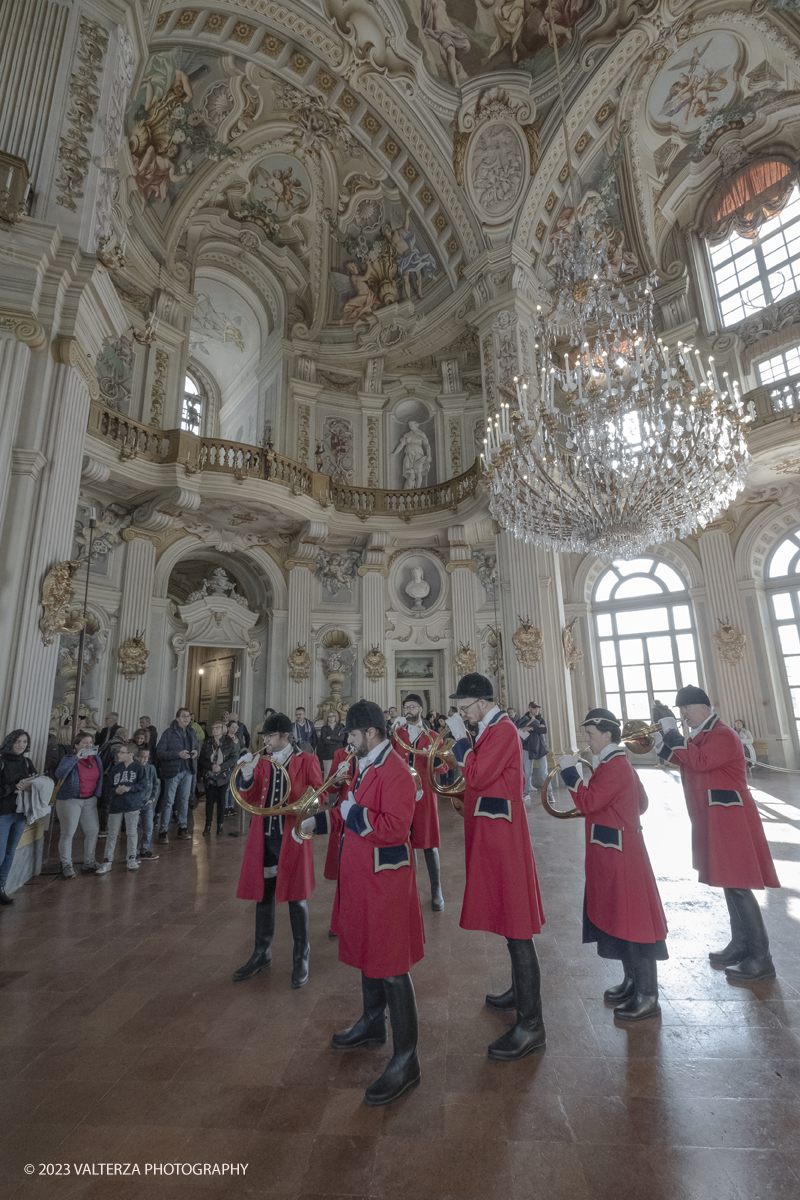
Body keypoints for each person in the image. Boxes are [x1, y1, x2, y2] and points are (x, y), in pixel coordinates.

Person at [304, 700, 424, 1106]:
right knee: (371, 953)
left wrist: (354, 812)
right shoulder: (366, 765)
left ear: (369, 733)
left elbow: (392, 829)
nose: (347, 741)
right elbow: (345, 810)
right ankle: (373, 1023)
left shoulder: (397, 771)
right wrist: (315, 822)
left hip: (385, 882)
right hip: (363, 877)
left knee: (391, 966)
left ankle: (408, 1059)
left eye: (351, 734)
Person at [446, 673, 546, 1060]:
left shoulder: (502, 731)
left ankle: (532, 1024)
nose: (463, 713)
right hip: (494, 834)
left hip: (503, 839)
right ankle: (519, 993)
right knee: (509, 920)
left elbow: (478, 774)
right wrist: (468, 742)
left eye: (465, 707)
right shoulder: (492, 730)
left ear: (483, 703)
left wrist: (460, 746)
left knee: (518, 926)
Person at [657, 685, 780, 983]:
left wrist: (673, 734)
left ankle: (761, 959)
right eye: (680, 710)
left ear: (703, 706)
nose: (683, 714)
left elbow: (700, 762)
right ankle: (741, 945)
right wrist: (663, 737)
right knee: (729, 883)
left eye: (686, 708)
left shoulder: (724, 734)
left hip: (731, 820)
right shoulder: (703, 736)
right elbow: (682, 759)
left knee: (738, 885)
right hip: (716, 818)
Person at [558, 709, 669, 1021]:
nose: (587, 740)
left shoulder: (615, 766)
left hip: (621, 854)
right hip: (614, 850)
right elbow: (642, 804)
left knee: (635, 921)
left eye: (591, 735)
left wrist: (571, 775)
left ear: (607, 735)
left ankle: (648, 995)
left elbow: (588, 803)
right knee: (623, 918)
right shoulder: (616, 764)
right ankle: (633, 981)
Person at [233, 713, 322, 988]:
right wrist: (246, 776)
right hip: (265, 837)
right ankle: (262, 952)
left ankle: (301, 955)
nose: (266, 742)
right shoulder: (263, 762)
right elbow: (249, 797)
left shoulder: (307, 760)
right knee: (264, 896)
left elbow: (319, 795)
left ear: (285, 736)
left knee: (296, 898)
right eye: (264, 738)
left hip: (291, 837)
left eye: (270, 737)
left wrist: (304, 806)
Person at [391, 693, 444, 911]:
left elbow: (443, 767)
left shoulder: (432, 735)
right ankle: (410, 888)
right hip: (403, 796)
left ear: (421, 709)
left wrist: (434, 758)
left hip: (425, 796)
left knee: (429, 843)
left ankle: (436, 889)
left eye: (413, 706)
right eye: (406, 707)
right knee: (406, 840)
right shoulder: (398, 734)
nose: (409, 710)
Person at [53, 732, 103, 878]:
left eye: (90, 743)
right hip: (70, 799)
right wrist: (76, 758)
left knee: (93, 830)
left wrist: (97, 794)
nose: (88, 745)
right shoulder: (68, 758)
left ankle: (89, 861)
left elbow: (100, 777)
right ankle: (67, 864)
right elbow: (60, 773)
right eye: (85, 743)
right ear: (76, 746)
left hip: (90, 799)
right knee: (68, 833)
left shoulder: (96, 759)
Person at [97, 742, 147, 874]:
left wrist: (129, 788)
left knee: (132, 832)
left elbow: (142, 785)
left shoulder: (139, 768)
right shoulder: (115, 769)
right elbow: (108, 786)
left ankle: (131, 858)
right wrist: (116, 790)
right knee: (112, 833)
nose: (118, 754)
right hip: (116, 804)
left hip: (132, 804)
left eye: (122, 752)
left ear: (130, 754)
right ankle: (107, 860)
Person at [0, 730, 37, 904]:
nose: (21, 745)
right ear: (10, 742)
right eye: (18, 741)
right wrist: (16, 786)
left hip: (21, 812)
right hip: (3, 812)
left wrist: (31, 786)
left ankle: (1, 887)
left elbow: (36, 783)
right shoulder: (1, 760)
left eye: (24, 742)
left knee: (9, 852)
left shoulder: (27, 762)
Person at [156, 708, 199, 843]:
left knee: (184, 801)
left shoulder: (191, 732)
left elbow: (196, 747)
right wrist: (177, 754)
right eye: (183, 716)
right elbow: (160, 752)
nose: (187, 718)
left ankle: (183, 827)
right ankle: (163, 830)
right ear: (177, 719)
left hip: (187, 770)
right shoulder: (168, 733)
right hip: (173, 771)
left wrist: (196, 752)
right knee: (168, 801)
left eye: (188, 716)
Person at [198, 720, 236, 836]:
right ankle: (207, 825)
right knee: (209, 801)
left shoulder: (229, 741)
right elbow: (202, 759)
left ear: (223, 729)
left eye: (218, 727)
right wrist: (211, 766)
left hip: (223, 775)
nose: (215, 729)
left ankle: (220, 825)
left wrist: (221, 767)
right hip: (210, 775)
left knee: (221, 800)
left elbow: (233, 759)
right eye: (213, 727)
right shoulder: (207, 741)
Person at [97, 726, 129, 834]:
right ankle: (103, 827)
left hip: (102, 775)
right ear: (124, 735)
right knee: (108, 802)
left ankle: (99, 825)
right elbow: (118, 764)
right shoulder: (119, 746)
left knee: (101, 802)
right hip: (110, 776)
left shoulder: (108, 742)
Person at [517, 702, 548, 799]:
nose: (536, 710)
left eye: (538, 708)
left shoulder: (540, 719)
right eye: (535, 708)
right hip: (527, 747)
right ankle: (527, 792)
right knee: (527, 772)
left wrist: (530, 728)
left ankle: (549, 793)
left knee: (544, 771)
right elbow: (519, 730)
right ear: (530, 708)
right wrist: (536, 728)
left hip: (540, 747)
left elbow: (544, 730)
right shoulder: (524, 719)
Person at [135, 747, 160, 861]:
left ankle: (144, 850)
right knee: (134, 829)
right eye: (142, 757)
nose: (144, 759)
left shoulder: (151, 768)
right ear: (136, 757)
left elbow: (155, 783)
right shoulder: (134, 768)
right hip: (135, 803)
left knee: (148, 827)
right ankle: (133, 852)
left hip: (147, 803)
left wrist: (153, 798)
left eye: (147, 757)